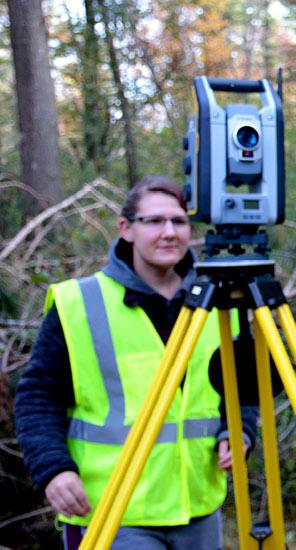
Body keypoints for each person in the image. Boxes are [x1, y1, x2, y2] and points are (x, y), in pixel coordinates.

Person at [15, 176, 260, 549]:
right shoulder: (80, 303)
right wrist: (53, 469)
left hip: (198, 508)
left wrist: (238, 430)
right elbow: (37, 397)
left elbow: (239, 388)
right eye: (154, 221)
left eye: (178, 222)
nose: (169, 232)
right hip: (112, 510)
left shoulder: (219, 305)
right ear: (126, 229)